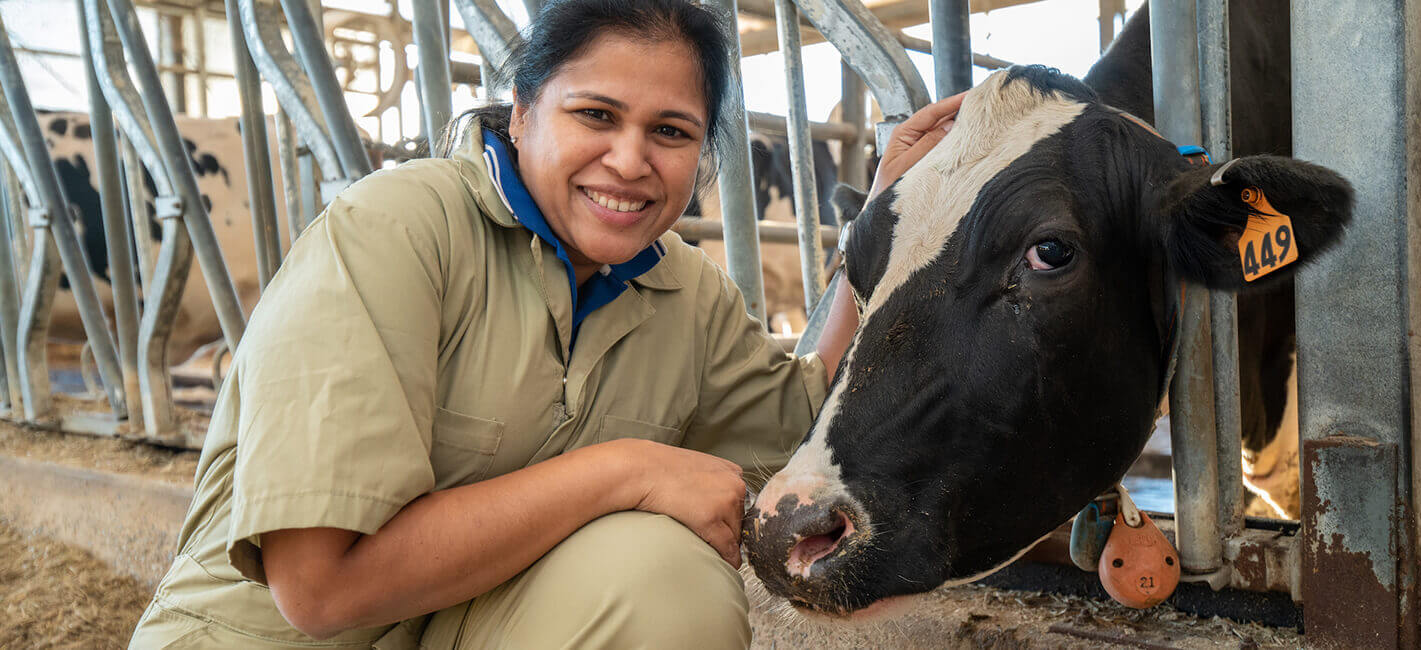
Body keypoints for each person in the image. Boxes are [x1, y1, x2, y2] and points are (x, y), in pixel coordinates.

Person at [129, 0, 962, 647]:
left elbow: (803, 430)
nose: (631, 161)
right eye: (596, 115)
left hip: (462, 628)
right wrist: (625, 471)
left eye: (670, 132)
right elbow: (316, 589)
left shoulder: (685, 293)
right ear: (522, 111)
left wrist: (882, 224)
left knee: (660, 579)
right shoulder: (396, 228)